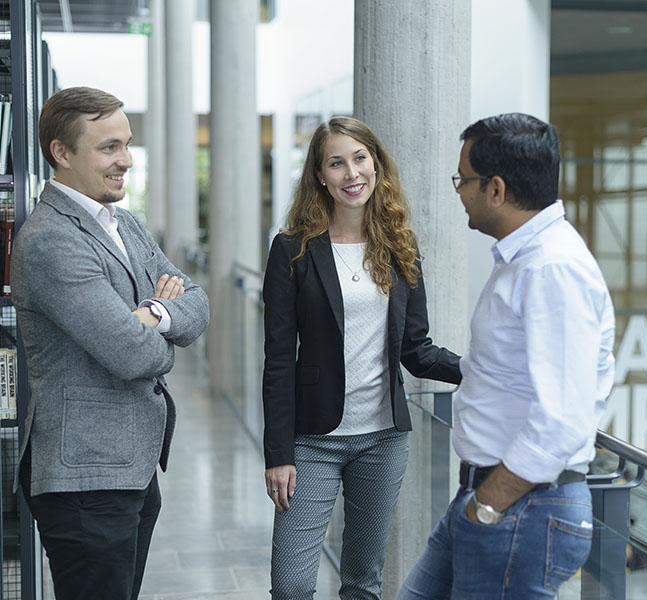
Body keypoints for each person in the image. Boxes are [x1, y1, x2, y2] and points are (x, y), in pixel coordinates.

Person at [396, 113, 616, 600]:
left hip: (521, 506)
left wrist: (488, 506)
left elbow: (562, 419)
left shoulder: (552, 269)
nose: (458, 191)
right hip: (491, 498)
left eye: (463, 179)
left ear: (495, 189)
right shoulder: (523, 259)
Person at [10, 86, 209, 599]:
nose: (126, 160)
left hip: (128, 468)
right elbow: (130, 352)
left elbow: (200, 304)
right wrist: (157, 330)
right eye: (109, 148)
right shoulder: (53, 239)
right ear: (61, 152)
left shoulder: (127, 225)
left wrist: (155, 313)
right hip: (84, 478)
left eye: (127, 144)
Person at [262, 116, 461, 599]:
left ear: (376, 165)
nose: (351, 173)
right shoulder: (293, 250)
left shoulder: (401, 248)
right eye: (336, 163)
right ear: (319, 175)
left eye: (360, 158)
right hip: (312, 439)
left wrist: (482, 369)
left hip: (383, 438)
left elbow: (417, 351)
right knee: (290, 587)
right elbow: (276, 360)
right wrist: (278, 454)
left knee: (362, 581)